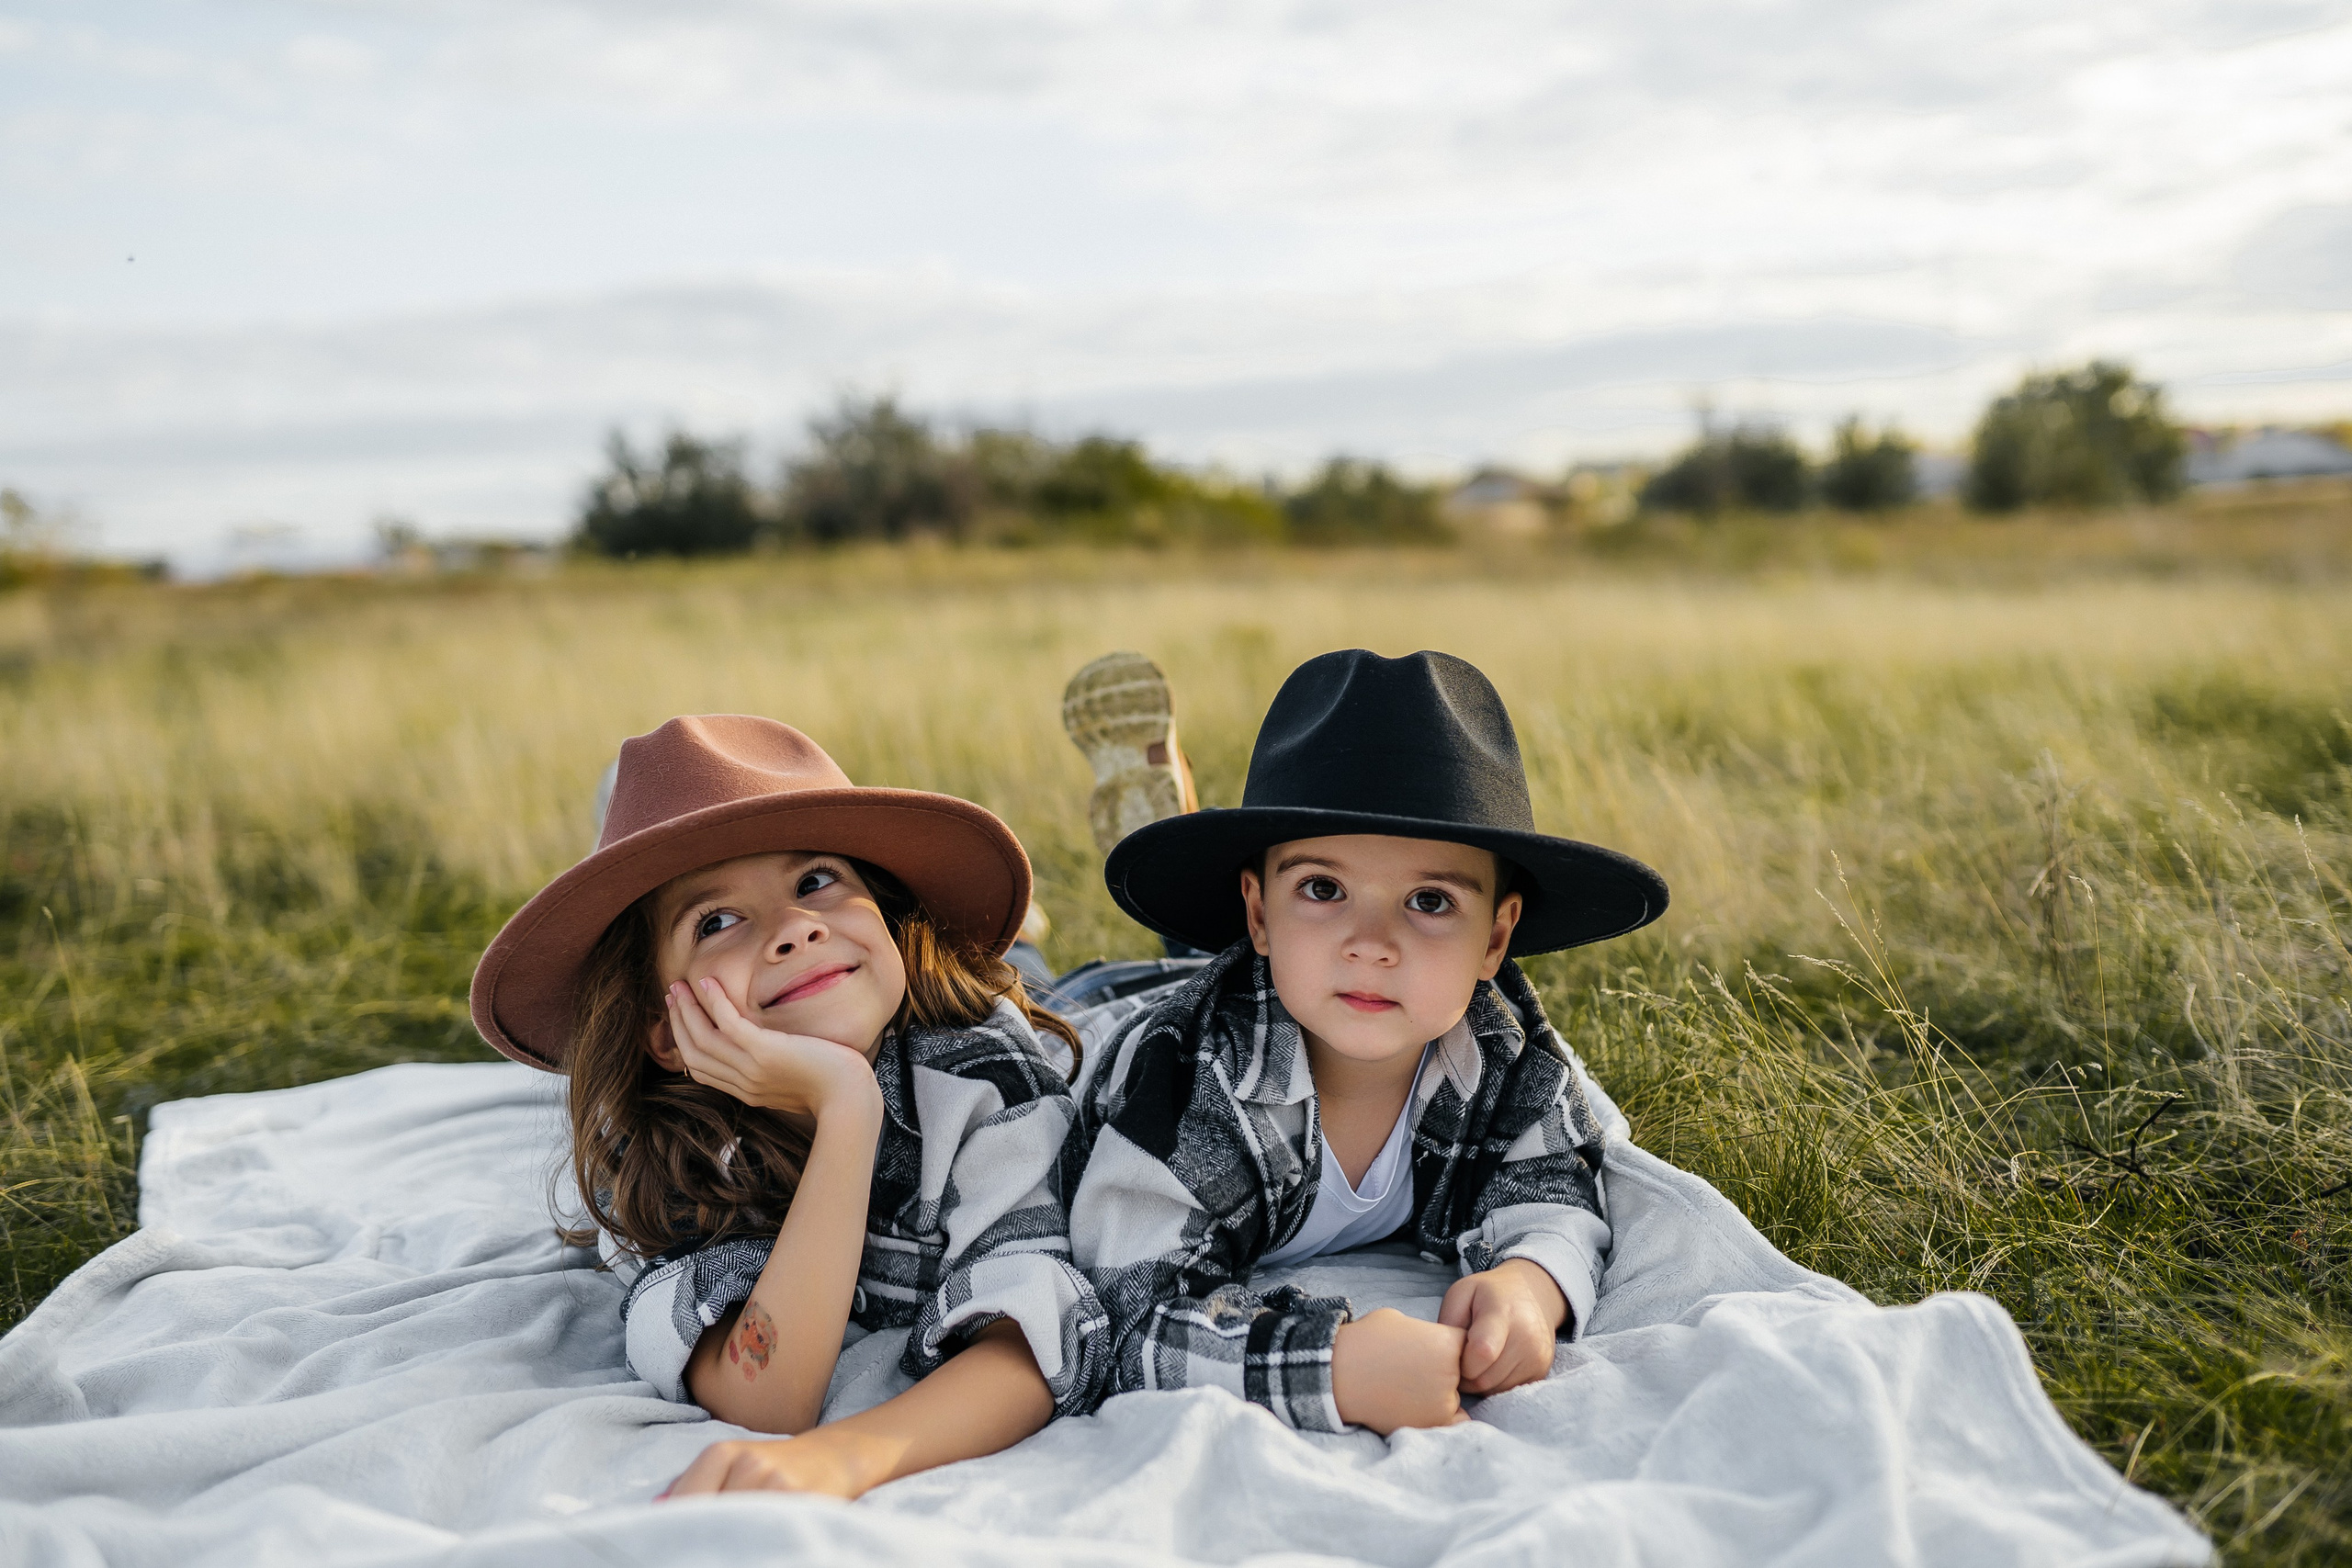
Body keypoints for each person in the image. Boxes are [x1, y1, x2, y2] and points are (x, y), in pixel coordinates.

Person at [469, 714, 1106, 1498]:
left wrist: (844, 1459)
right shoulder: (665, 1149)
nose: (794, 929)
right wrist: (846, 1111)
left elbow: (1036, 1332)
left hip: (998, 1003)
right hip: (840, 1013)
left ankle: (1037, 940)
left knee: (1067, 987)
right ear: (665, 1031)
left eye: (815, 880)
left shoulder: (978, 1064)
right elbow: (763, 1397)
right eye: (718, 920)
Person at [1061, 648, 1668, 1435]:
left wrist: (1530, 1279)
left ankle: (1192, 852)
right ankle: (1031, 928)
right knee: (1014, 982)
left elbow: (1552, 1177)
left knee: (1269, 965)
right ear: (1258, 909)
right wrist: (1331, 1365)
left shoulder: (1501, 1054)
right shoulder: (1189, 1092)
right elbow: (1121, 1311)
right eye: (1324, 887)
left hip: (1269, 974)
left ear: (1496, 939)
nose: (1372, 943)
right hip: (1100, 1015)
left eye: (1428, 899)